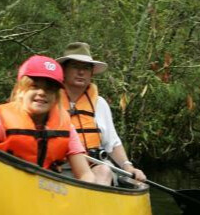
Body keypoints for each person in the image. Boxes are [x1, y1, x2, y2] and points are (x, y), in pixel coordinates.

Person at [0, 55, 97, 183]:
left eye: (49, 89)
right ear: (20, 91)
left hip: (44, 194)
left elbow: (85, 174)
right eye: (34, 86)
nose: (42, 92)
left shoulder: (66, 128)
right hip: (4, 188)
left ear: (56, 97)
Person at [57, 42, 147, 186]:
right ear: (63, 70)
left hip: (94, 164)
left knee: (104, 170)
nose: (81, 72)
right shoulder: (50, 99)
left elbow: (112, 142)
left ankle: (92, 204)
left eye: (86, 68)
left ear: (91, 73)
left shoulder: (100, 103)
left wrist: (128, 166)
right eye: (75, 66)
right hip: (61, 166)